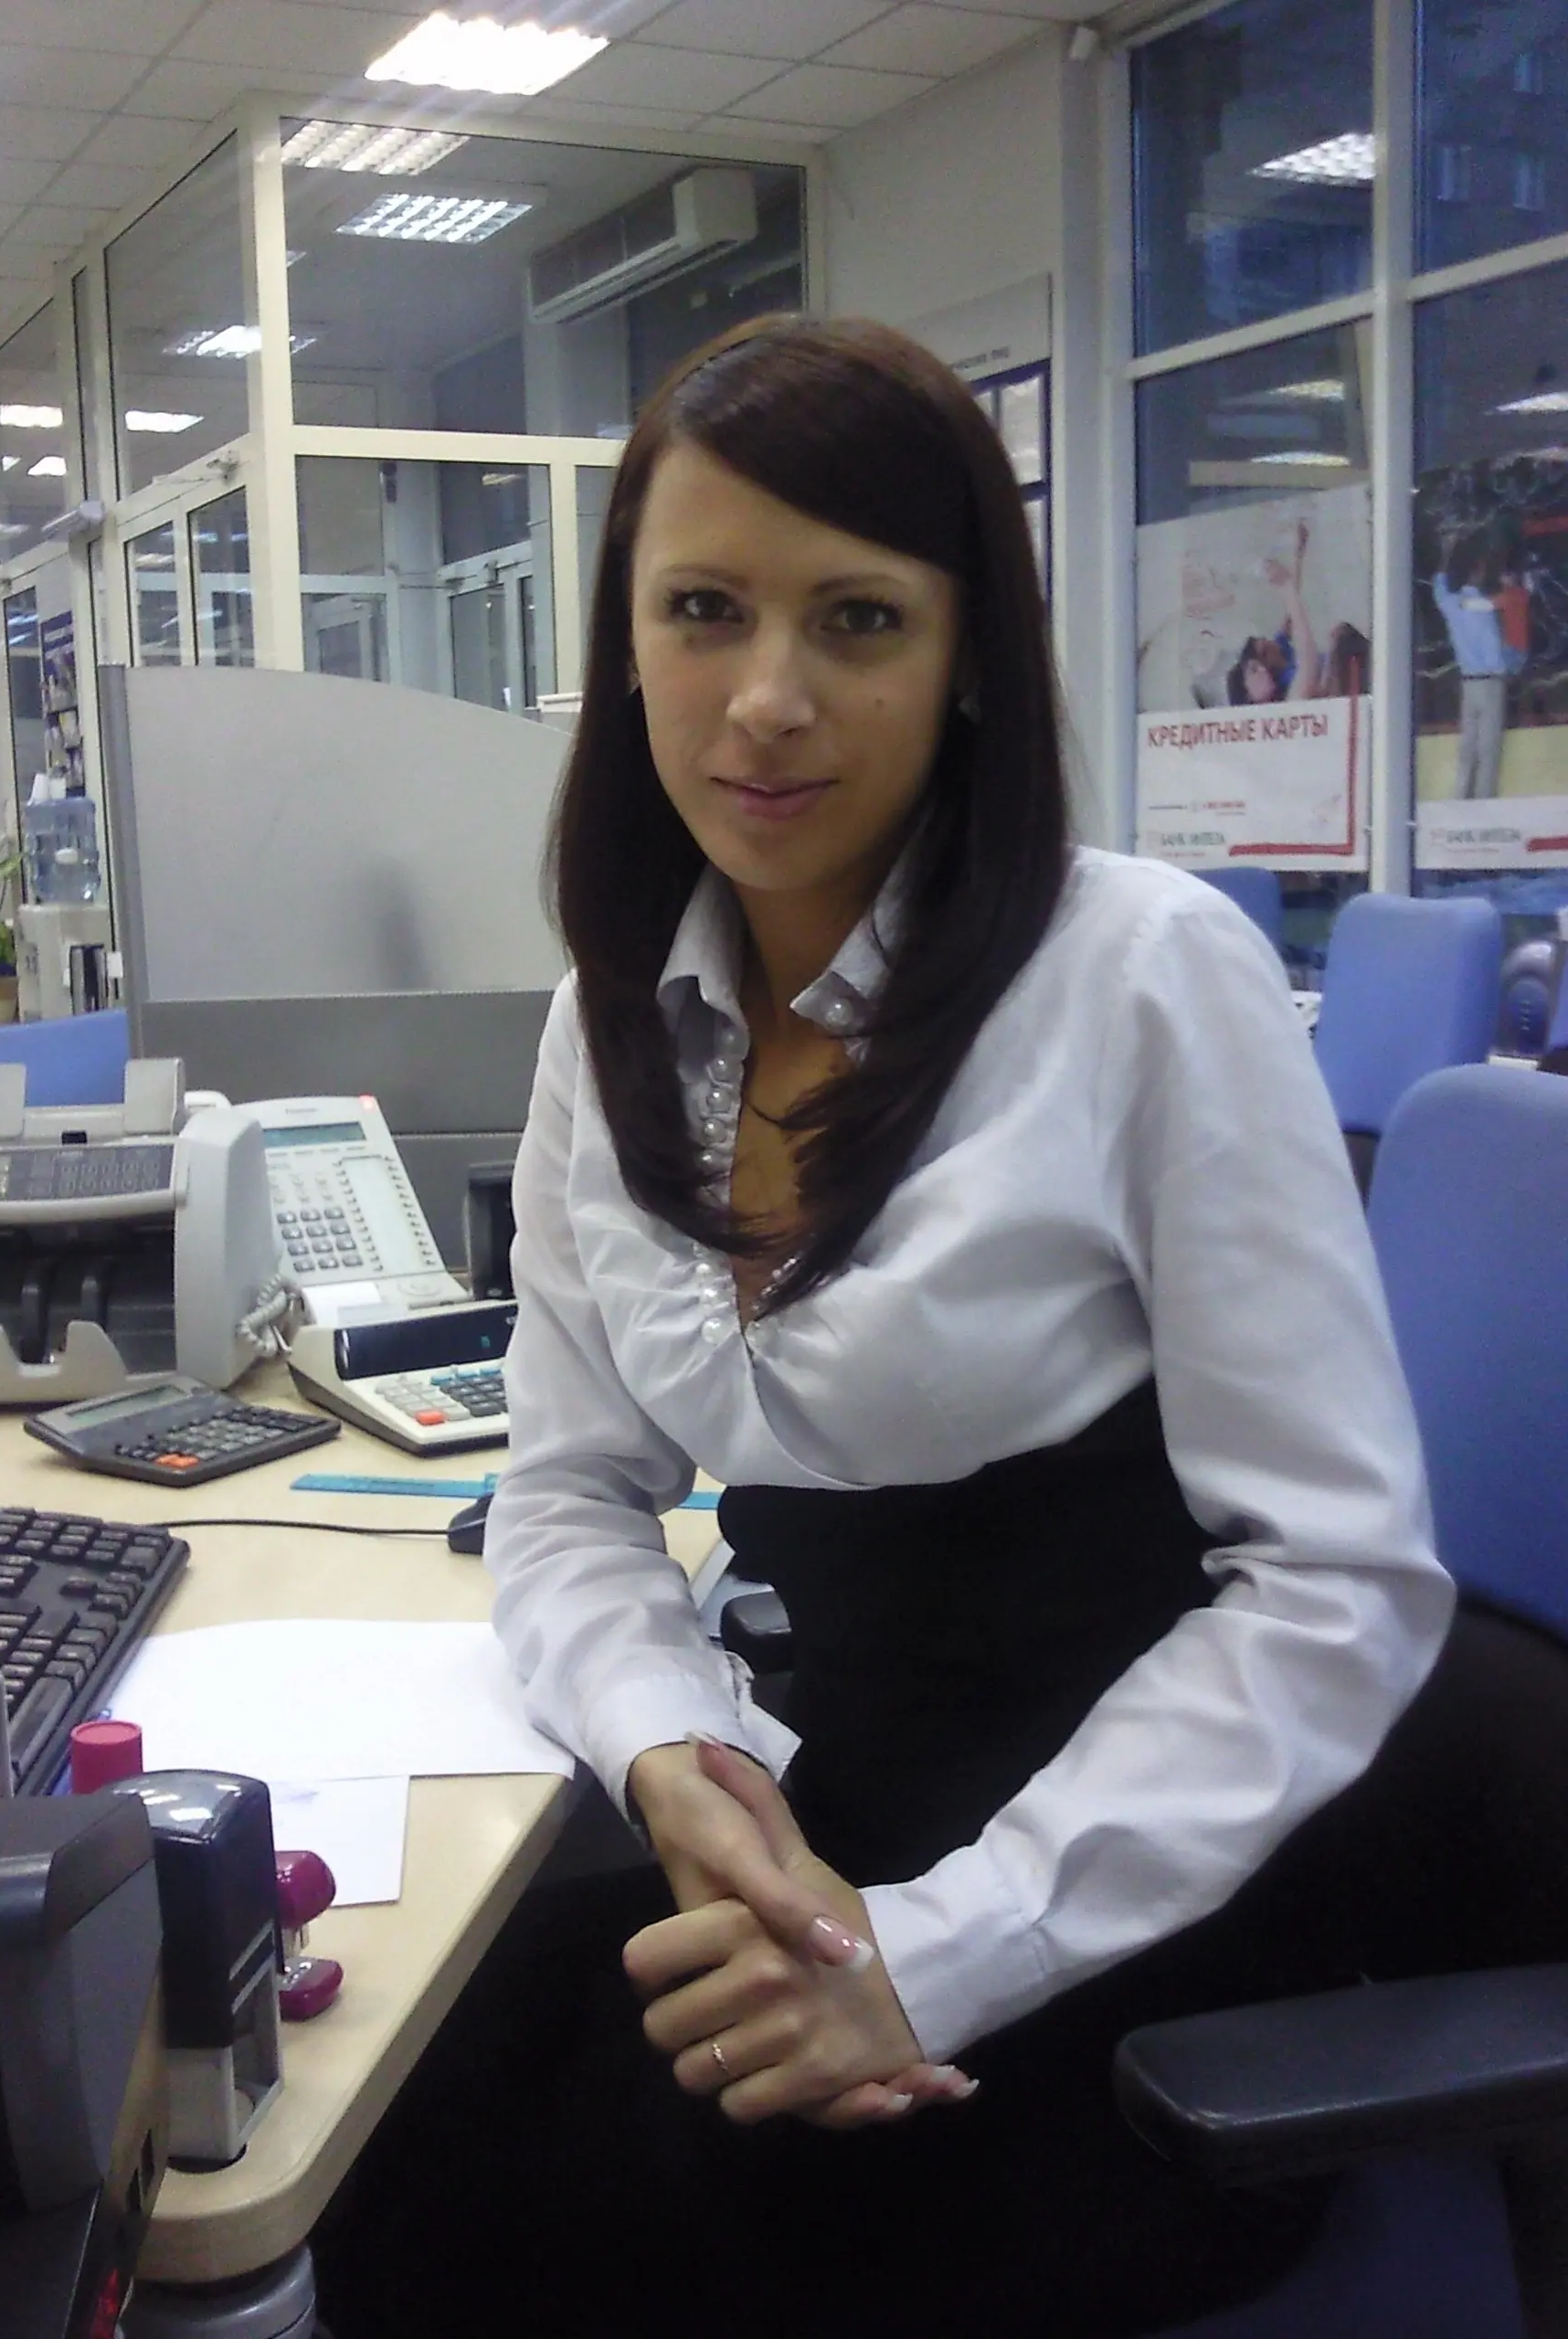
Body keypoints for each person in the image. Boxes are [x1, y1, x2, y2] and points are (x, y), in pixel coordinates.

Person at [314, 318, 1568, 2339]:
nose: (768, 697)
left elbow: (1335, 1584)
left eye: (860, 618)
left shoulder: (1144, 979)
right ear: (623, 643)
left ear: (969, 654)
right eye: (704, 610)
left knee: (564, 2237)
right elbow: (567, 1493)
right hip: (834, 1818)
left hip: (1151, 1905)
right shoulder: (609, 1024)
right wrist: (672, 1755)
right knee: (386, 2113)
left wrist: (934, 1953)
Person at [1225, 518, 1370, 704]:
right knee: (1338, 637)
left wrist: (1298, 555)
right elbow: (1309, 665)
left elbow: (1293, 614)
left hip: (1348, 667)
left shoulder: (1281, 648)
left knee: (1343, 636)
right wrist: (1285, 587)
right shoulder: (1288, 689)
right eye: (1265, 651)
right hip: (1343, 685)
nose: (1272, 643)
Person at [1433, 529, 1513, 799]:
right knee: (1488, 748)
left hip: (1468, 683)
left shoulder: (1451, 604)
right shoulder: (1488, 605)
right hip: (1491, 683)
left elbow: (1438, 583)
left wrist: (1446, 551)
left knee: (1467, 746)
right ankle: (1483, 801)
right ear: (1478, 570)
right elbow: (1508, 604)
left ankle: (1460, 799)